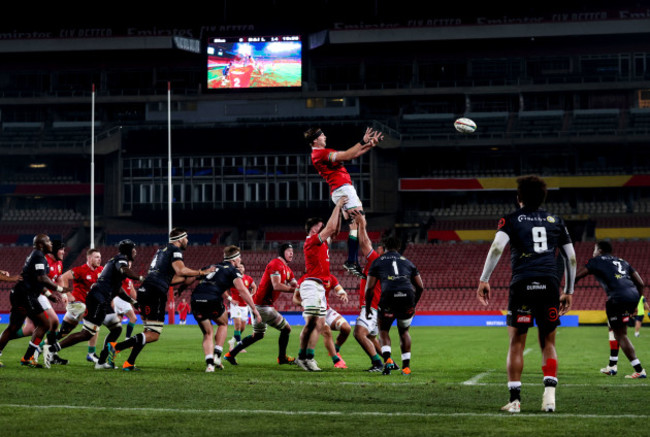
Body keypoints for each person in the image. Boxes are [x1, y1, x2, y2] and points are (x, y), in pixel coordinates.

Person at [477, 175, 576, 414]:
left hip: (522, 284)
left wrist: (484, 279)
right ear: (543, 198)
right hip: (549, 284)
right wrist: (569, 291)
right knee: (548, 342)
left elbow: (497, 247)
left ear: (518, 197)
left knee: (516, 342)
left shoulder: (510, 219)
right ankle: (550, 398)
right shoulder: (556, 221)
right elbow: (570, 257)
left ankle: (515, 401)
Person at [108, 227, 215, 371]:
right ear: (179, 239)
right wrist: (202, 272)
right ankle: (116, 347)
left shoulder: (161, 251)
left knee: (147, 331)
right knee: (153, 334)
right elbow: (181, 270)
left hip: (145, 290)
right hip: (155, 293)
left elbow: (171, 279)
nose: (187, 240)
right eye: (186, 238)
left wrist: (193, 276)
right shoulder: (175, 251)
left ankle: (129, 363)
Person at [47, 240, 142, 369]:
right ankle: (52, 349)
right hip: (96, 300)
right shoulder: (121, 260)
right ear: (128, 251)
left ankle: (101, 361)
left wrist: (133, 302)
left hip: (103, 301)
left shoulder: (112, 265)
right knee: (87, 333)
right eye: (133, 249)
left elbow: (119, 289)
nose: (135, 252)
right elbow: (124, 268)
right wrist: (141, 278)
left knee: (117, 328)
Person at [304, 126, 383, 278]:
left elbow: (353, 155)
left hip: (340, 190)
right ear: (315, 139)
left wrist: (370, 144)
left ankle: (352, 260)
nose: (325, 136)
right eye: (322, 135)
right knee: (361, 223)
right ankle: (352, 260)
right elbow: (347, 155)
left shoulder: (318, 154)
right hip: (343, 190)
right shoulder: (321, 153)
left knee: (354, 225)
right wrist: (362, 141)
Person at [575, 240, 646, 379]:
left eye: (594, 249)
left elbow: (578, 275)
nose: (593, 252)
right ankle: (612, 366)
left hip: (617, 298)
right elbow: (641, 283)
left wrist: (567, 290)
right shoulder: (622, 261)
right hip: (632, 296)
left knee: (621, 335)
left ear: (600, 250)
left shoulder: (596, 260)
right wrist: (638, 302)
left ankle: (639, 370)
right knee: (612, 327)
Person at [189, 246, 262, 372]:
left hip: (196, 299)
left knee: (207, 333)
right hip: (212, 299)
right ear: (234, 259)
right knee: (223, 323)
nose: (240, 259)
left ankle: (210, 365)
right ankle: (217, 355)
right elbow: (242, 290)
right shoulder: (233, 270)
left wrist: (181, 288)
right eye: (239, 256)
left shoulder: (212, 266)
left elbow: (192, 277)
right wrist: (254, 310)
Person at [0, 234, 69, 368]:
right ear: (41, 245)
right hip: (25, 295)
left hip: (24, 294)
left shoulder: (38, 256)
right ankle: (28, 357)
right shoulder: (38, 255)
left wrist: (49, 295)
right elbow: (42, 279)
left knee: (14, 328)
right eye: (48, 241)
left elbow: (36, 280)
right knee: (44, 323)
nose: (50, 244)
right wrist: (60, 289)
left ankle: (27, 357)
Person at [224, 243, 298, 366]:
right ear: (282, 252)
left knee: (257, 335)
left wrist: (304, 288)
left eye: (292, 251)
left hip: (260, 306)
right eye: (288, 250)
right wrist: (295, 290)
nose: (291, 253)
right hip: (263, 306)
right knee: (286, 329)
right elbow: (277, 285)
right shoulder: (275, 264)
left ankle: (231, 354)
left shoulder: (287, 269)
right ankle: (282, 357)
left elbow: (295, 284)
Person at [295, 197, 346, 371]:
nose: (323, 228)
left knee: (320, 324)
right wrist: (338, 205)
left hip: (320, 287)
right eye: (320, 226)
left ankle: (307, 357)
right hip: (311, 284)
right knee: (313, 323)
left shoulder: (321, 241)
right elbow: (331, 228)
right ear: (313, 228)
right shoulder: (311, 240)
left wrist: (342, 212)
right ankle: (304, 357)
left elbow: (335, 229)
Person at [365, 236, 424, 377]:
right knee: (404, 332)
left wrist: (368, 308)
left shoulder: (377, 262)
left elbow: (370, 288)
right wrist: (413, 304)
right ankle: (406, 368)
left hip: (388, 297)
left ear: (384, 247)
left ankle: (387, 360)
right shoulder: (408, 262)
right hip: (407, 296)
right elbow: (420, 287)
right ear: (398, 248)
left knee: (383, 330)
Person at [18, 239, 67, 364]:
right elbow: (39, 280)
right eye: (61, 249)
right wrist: (53, 292)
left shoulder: (59, 263)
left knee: (30, 329)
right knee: (53, 321)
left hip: (41, 295)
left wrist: (63, 293)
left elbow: (59, 278)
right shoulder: (44, 261)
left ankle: (50, 354)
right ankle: (37, 353)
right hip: (35, 294)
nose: (63, 252)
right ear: (54, 250)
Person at [57, 248, 104, 363]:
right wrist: (68, 294)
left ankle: (91, 353)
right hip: (78, 306)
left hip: (89, 306)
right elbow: (64, 277)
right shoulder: (81, 270)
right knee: (64, 332)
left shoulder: (101, 270)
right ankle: (42, 347)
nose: (99, 259)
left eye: (100, 257)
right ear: (89, 258)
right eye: (97, 257)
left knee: (93, 325)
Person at [354, 213, 385, 372]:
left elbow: (365, 243)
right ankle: (390, 362)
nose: (376, 247)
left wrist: (361, 224)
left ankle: (377, 363)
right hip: (375, 307)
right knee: (372, 337)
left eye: (379, 247)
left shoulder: (377, 260)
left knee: (359, 333)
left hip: (371, 307)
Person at [227, 262, 257, 352]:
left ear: (244, 268)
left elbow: (254, 287)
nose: (240, 268)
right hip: (235, 305)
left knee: (243, 327)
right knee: (238, 325)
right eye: (238, 267)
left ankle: (232, 341)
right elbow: (224, 288)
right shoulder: (233, 279)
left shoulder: (248, 278)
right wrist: (230, 299)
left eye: (241, 267)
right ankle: (239, 346)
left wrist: (251, 295)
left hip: (245, 306)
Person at [114, 268, 138, 339]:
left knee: (119, 320)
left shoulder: (129, 276)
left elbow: (132, 290)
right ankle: (127, 339)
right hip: (121, 299)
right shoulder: (122, 273)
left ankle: (111, 341)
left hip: (123, 299)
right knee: (133, 318)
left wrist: (135, 300)